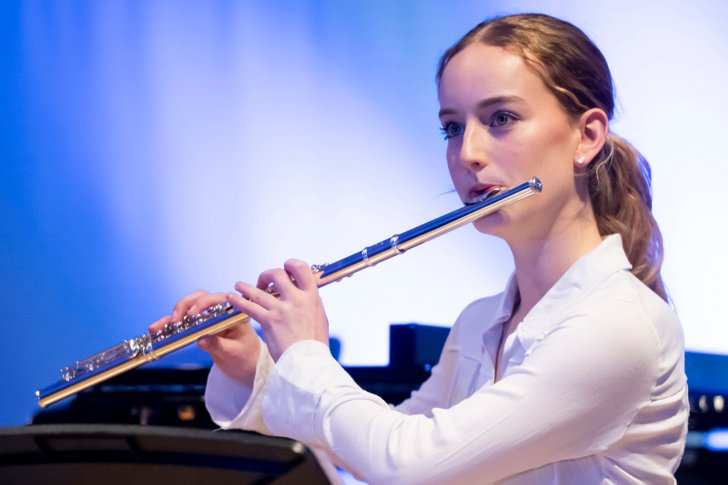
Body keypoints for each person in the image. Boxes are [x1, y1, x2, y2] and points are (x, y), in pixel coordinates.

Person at [150, 13, 688, 484]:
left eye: (501, 118)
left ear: (587, 136)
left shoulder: (619, 326)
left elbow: (408, 467)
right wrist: (254, 369)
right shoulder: (480, 324)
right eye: (452, 127)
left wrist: (307, 354)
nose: (469, 153)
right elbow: (364, 454)